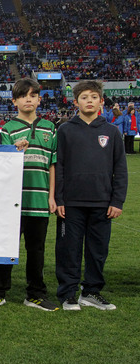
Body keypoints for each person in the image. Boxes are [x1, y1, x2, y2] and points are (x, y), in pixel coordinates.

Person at [0, 78, 59, 311]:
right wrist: (16, 151)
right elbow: (4, 165)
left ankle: (35, 294)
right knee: (6, 248)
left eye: (33, 95)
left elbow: (53, 164)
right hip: (13, 202)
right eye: (23, 95)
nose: (29, 99)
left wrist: (52, 196)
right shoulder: (7, 129)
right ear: (14, 101)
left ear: (39, 99)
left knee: (36, 250)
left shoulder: (50, 128)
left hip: (39, 200)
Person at [55, 80, 127, 311]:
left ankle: (91, 292)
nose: (89, 101)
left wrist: (117, 201)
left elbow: (121, 169)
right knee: (69, 250)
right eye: (84, 97)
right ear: (75, 102)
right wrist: (59, 199)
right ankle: (68, 294)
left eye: (93, 97)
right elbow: (59, 166)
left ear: (101, 101)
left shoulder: (112, 132)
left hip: (102, 203)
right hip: (71, 203)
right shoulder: (65, 130)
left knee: (98, 251)